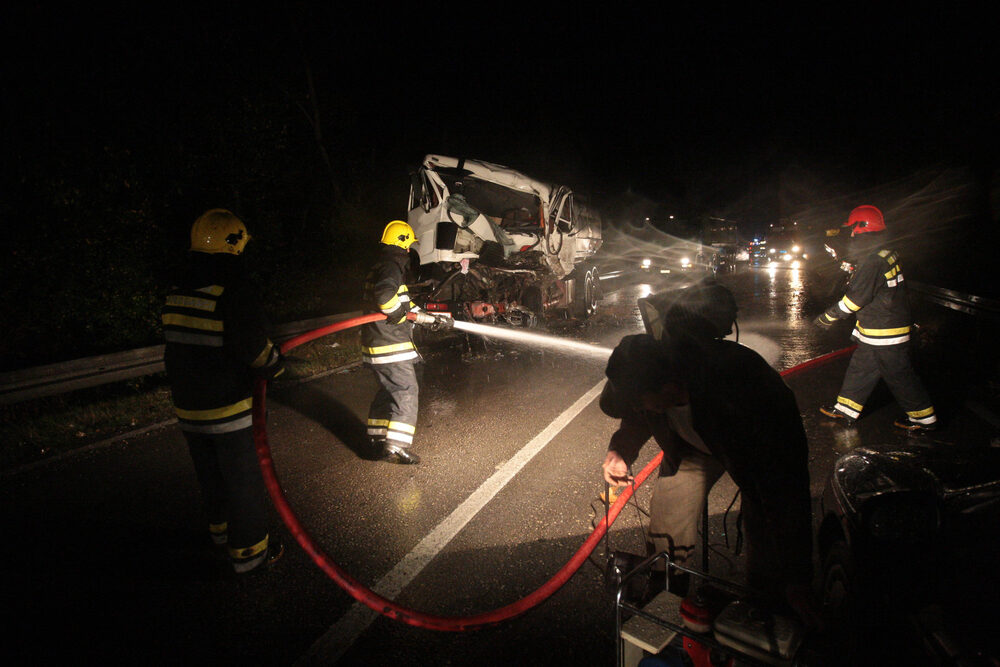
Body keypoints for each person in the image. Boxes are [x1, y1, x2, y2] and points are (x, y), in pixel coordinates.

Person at [599, 309, 819, 628]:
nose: (636, 408)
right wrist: (620, 450)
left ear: (667, 387)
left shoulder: (740, 393)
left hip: (750, 448)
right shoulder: (653, 381)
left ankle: (763, 614)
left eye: (641, 401)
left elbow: (785, 488)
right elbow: (638, 415)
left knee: (766, 532)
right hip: (694, 445)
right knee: (668, 517)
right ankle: (664, 607)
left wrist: (798, 577)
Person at [161, 208, 286, 573]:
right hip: (228, 409)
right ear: (234, 245)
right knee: (243, 482)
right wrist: (276, 366)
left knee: (210, 477)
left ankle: (220, 536)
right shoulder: (232, 289)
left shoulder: (177, 289)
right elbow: (253, 348)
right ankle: (250, 555)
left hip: (188, 409)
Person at [815, 205, 937, 433]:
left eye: (853, 229)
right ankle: (845, 410)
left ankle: (924, 419)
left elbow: (855, 300)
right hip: (877, 330)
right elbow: (876, 281)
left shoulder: (873, 262)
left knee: (899, 376)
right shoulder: (883, 254)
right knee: (860, 369)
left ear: (864, 229)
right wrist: (856, 268)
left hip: (886, 333)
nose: (850, 234)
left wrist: (827, 317)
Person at [361, 220, 450, 464]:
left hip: (375, 343)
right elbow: (386, 298)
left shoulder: (381, 266)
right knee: (406, 391)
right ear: (403, 246)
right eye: (409, 246)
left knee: (387, 391)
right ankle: (397, 446)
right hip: (390, 344)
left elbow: (404, 305)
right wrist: (396, 312)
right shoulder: (392, 267)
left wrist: (429, 318)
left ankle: (378, 440)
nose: (410, 251)